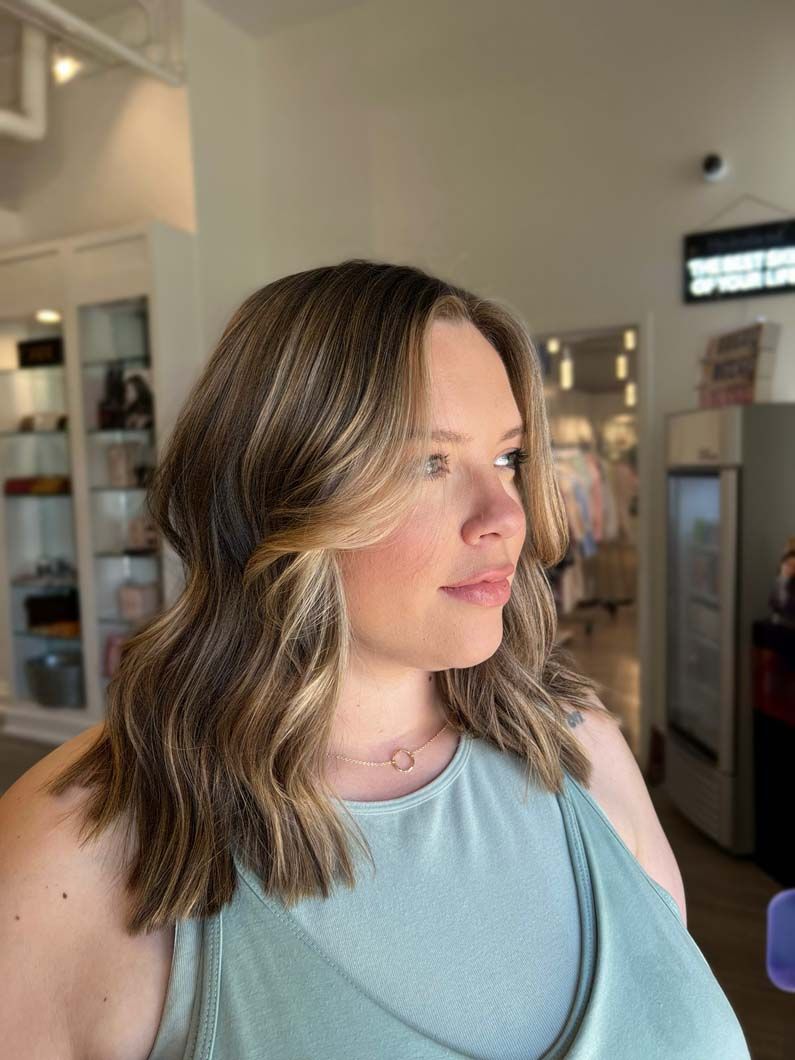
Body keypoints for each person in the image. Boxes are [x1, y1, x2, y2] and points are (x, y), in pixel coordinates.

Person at [0, 260, 750, 1059]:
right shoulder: (69, 859)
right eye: (428, 463)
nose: (504, 514)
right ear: (278, 489)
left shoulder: (581, 748)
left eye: (507, 458)